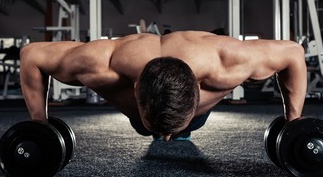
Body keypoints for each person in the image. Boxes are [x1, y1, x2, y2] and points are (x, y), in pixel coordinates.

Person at [19, 31, 307, 141]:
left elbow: (294, 54)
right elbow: (31, 55)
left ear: (198, 88)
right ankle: (155, 124)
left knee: (177, 129)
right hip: (139, 116)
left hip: (194, 116)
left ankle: (179, 125)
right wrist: (38, 124)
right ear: (135, 91)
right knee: (150, 129)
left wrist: (294, 124)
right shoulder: (100, 64)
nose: (165, 135)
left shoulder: (226, 63)